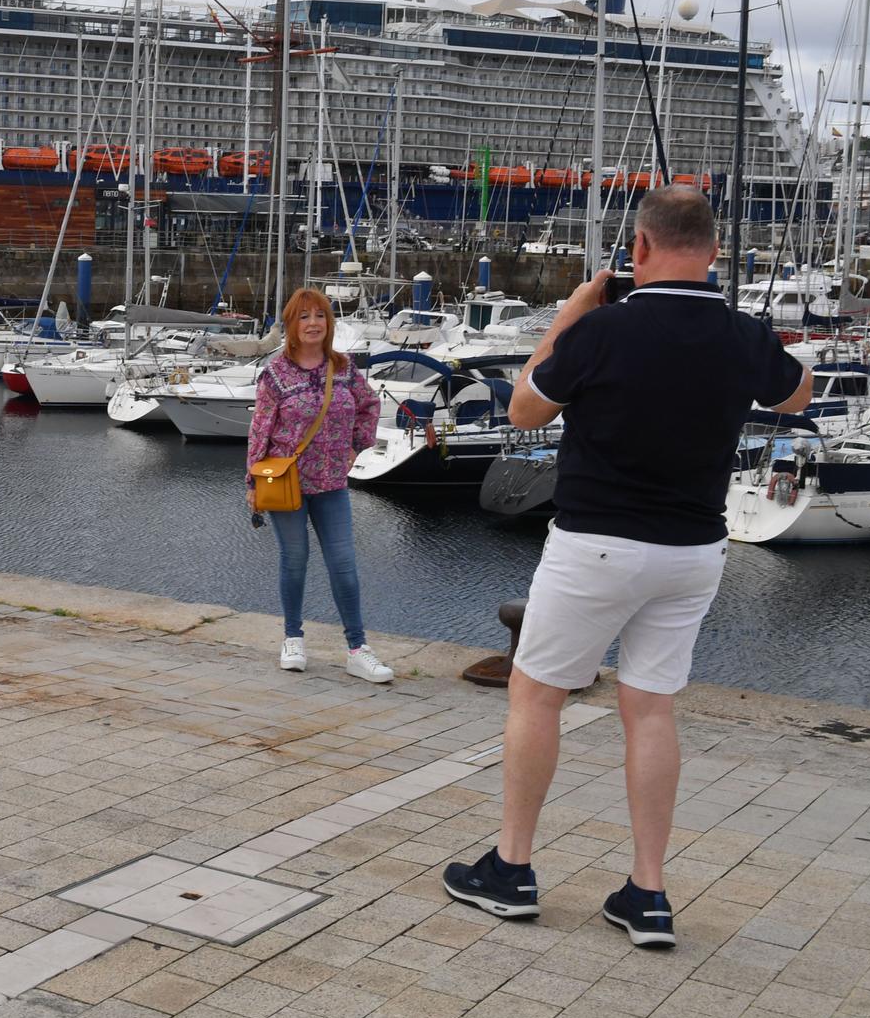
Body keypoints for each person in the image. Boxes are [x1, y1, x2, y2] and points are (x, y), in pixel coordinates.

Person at [443, 187, 811, 948]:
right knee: (650, 708)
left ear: (638, 249)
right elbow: (798, 390)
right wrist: (743, 338)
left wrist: (571, 312)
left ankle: (511, 869)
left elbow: (523, 410)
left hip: (596, 543)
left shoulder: (603, 328)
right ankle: (648, 892)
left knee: (536, 695)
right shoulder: (740, 334)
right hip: (692, 553)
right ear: (713, 252)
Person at [246, 286, 390, 683]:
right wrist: (252, 481)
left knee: (343, 565)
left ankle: (357, 649)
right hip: (287, 483)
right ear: (291, 325)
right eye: (304, 317)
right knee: (294, 562)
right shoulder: (275, 373)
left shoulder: (342, 368)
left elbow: (369, 405)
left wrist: (357, 448)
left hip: (331, 484)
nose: (313, 324)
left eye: (320, 316)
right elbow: (260, 429)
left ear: (330, 323)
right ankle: (293, 638)